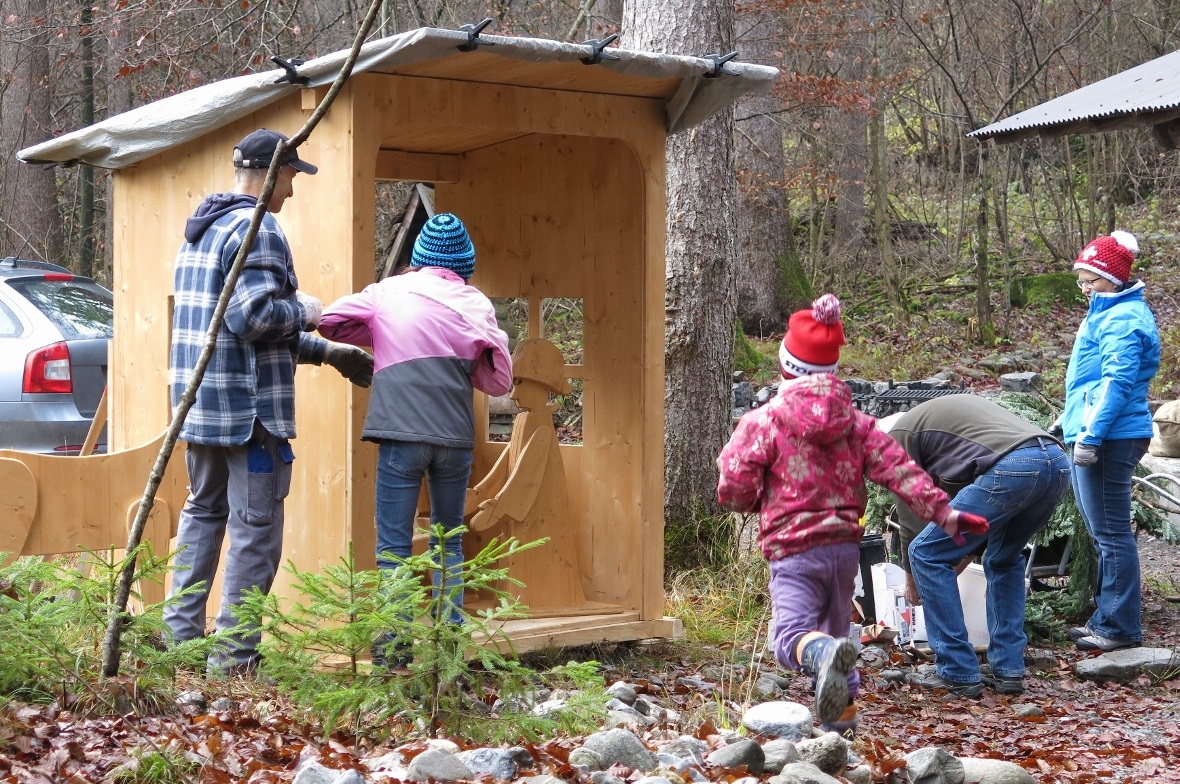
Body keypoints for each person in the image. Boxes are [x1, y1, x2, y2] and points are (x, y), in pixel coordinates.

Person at [716, 294, 987, 737]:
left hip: (793, 550)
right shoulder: (859, 424)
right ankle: (840, 723)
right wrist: (948, 516)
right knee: (837, 630)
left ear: (786, 367)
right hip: (844, 550)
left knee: (793, 639)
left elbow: (734, 482)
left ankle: (822, 657)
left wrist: (749, 502)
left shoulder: (763, 422)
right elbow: (902, 471)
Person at [165, 128, 375, 675]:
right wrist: (307, 310)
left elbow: (234, 332)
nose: (292, 190)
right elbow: (254, 318)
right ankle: (234, 662)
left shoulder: (202, 230)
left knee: (202, 515)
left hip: (201, 407)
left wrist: (326, 353)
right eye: (290, 177)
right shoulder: (260, 228)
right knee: (255, 532)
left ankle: (179, 648)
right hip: (249, 416)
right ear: (273, 173)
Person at [318, 213, 512, 667]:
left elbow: (329, 322)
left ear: (419, 257)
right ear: (464, 264)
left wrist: (378, 332)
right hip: (454, 440)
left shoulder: (389, 292)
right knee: (449, 542)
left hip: (399, 436)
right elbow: (499, 380)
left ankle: (394, 649)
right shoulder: (476, 303)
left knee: (394, 546)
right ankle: (449, 643)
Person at [885, 396, 1071, 696]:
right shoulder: (950, 436)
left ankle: (957, 671)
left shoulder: (897, 437)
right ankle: (1008, 669)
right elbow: (968, 517)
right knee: (1003, 559)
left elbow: (912, 515)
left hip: (1014, 465)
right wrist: (959, 556)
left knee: (924, 553)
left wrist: (913, 578)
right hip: (1057, 462)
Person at [1058, 230, 1160, 652]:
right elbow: (1088, 382)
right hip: (1097, 430)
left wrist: (1090, 436)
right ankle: (1107, 616)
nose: (1084, 288)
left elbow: (1117, 384)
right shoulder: (1105, 310)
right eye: (1080, 280)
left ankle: (1119, 628)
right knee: (1104, 533)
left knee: (1112, 533)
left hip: (1112, 437)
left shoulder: (1123, 318)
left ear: (1113, 279)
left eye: (1092, 280)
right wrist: (1067, 421)